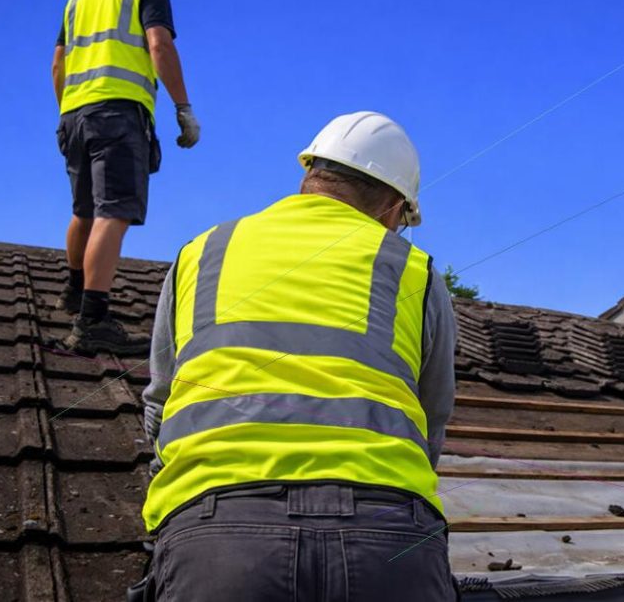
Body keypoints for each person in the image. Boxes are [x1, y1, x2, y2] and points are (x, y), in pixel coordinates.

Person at [138, 112, 459, 601]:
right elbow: (431, 420)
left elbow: (161, 406)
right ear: (395, 207)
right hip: (390, 538)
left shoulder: (203, 251)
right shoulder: (416, 270)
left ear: (311, 175)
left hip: (218, 537)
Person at [51, 0, 200, 355]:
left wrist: (67, 112)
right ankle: (92, 322)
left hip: (74, 114)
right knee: (113, 211)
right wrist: (183, 108)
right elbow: (160, 46)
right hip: (118, 114)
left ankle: (74, 292)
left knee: (83, 210)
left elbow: (58, 64)